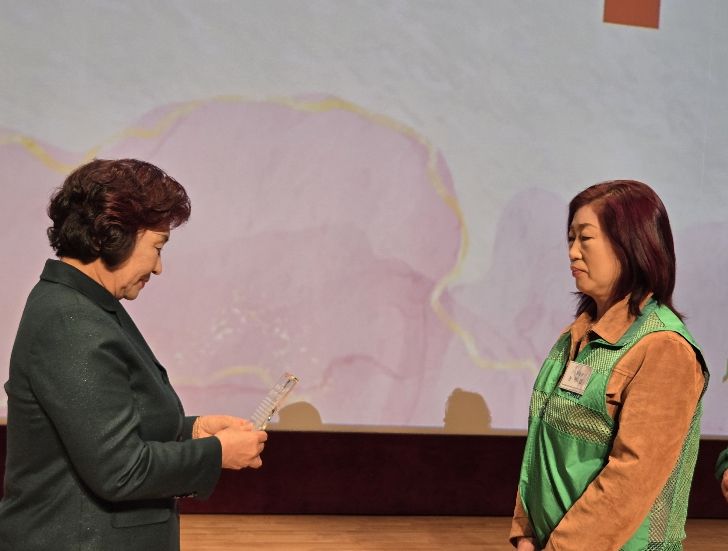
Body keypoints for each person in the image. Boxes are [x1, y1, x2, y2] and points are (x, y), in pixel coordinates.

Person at [0, 159, 268, 550]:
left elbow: (98, 426)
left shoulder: (82, 305)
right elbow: (120, 471)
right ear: (115, 234)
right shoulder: (71, 321)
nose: (158, 268)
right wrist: (216, 453)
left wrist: (190, 431)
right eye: (157, 247)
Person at [510, 180, 709, 550]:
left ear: (631, 244)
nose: (572, 252)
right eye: (570, 238)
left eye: (585, 238)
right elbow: (542, 446)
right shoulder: (577, 335)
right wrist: (525, 532)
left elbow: (630, 482)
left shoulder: (663, 348)